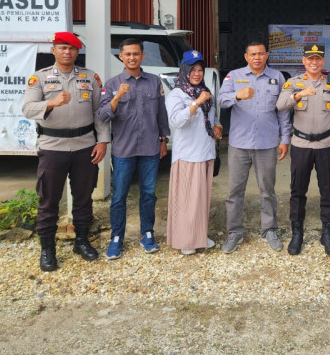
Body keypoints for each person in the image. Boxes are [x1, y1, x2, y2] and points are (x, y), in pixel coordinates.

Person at [22, 31, 111, 272]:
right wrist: (50, 103)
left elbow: (99, 114)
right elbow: (28, 109)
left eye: (71, 48)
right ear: (54, 50)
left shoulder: (90, 77)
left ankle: (81, 241)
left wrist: (102, 141)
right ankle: (47, 248)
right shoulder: (39, 78)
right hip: (53, 148)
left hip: (84, 146)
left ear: (77, 51)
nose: (67, 52)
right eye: (62, 47)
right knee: (49, 200)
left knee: (83, 198)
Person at [97, 38, 170, 260]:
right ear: (121, 56)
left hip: (149, 147)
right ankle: (116, 237)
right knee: (119, 196)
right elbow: (102, 116)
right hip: (123, 150)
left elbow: (161, 114)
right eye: (127, 54)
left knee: (148, 194)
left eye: (136, 54)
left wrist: (163, 139)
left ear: (142, 56)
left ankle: (147, 233)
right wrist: (117, 96)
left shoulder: (154, 81)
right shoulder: (111, 84)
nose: (132, 57)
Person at [218, 40, 291, 253]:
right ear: (246, 56)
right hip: (239, 144)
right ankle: (235, 232)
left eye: (261, 54)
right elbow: (221, 100)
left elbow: (283, 111)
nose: (257, 58)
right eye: (253, 54)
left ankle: (269, 229)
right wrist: (236, 95)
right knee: (234, 190)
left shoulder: (277, 77)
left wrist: (285, 138)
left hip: (267, 143)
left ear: (267, 55)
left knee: (267, 190)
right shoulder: (234, 76)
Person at [276, 43, 330, 256]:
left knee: (327, 190)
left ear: (322, 61)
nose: (314, 62)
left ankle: (327, 234)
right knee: (298, 190)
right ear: (304, 61)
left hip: (326, 145)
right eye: (310, 59)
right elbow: (280, 105)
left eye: (318, 59)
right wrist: (299, 95)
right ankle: (297, 234)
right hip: (301, 145)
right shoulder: (293, 83)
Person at [165, 50, 223, 255]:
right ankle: (185, 240)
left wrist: (218, 128)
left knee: (201, 199)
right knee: (187, 199)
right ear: (184, 70)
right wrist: (196, 103)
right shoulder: (177, 94)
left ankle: (199, 235)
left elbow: (214, 119)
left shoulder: (206, 92)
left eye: (200, 70)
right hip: (188, 155)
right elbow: (176, 121)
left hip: (206, 152)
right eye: (193, 70)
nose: (197, 74)